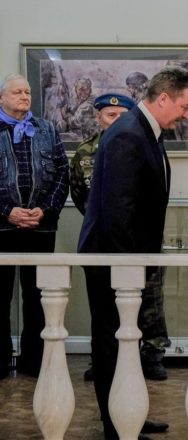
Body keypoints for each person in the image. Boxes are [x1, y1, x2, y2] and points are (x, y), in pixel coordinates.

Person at [78, 66, 188, 440]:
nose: (186, 115)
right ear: (163, 98)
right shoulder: (130, 134)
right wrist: (131, 272)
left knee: (128, 342)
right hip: (113, 262)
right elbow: (119, 211)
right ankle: (116, 424)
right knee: (113, 343)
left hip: (127, 261)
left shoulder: (144, 130)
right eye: (184, 106)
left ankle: (129, 412)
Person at [71, 93, 170, 382]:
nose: (116, 119)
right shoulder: (87, 150)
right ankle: (107, 371)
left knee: (147, 305)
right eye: (110, 114)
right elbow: (81, 194)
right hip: (108, 244)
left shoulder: (144, 140)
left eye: (121, 115)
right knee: (107, 320)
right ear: (98, 117)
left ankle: (149, 359)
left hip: (137, 243)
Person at [0, 74, 69, 378]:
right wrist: (7, 212)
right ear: (1, 98)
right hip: (2, 228)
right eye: (17, 92)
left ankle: (35, 362)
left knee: (38, 297)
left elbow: (62, 174)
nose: (25, 96)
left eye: (27, 92)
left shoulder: (47, 129)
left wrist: (46, 209)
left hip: (40, 228)